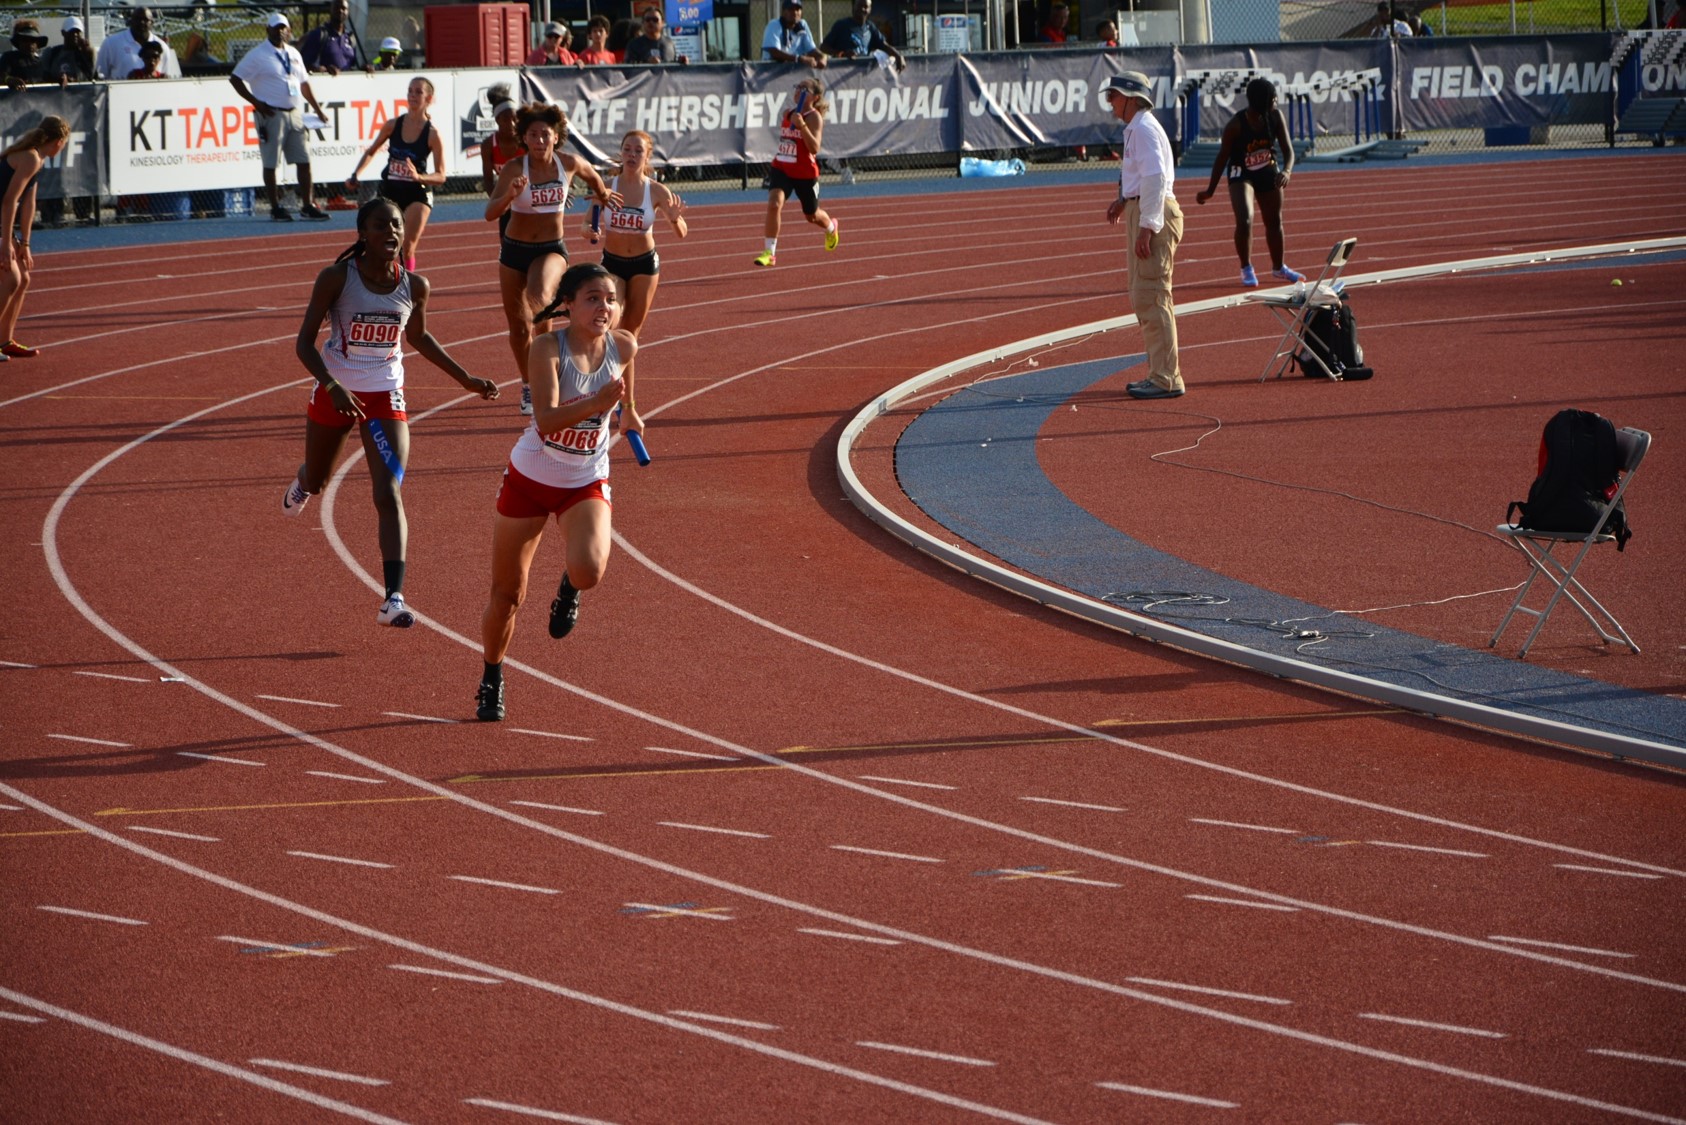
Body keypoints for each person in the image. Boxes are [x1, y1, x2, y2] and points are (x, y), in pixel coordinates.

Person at [284, 197, 499, 627]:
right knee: (320, 477)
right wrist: (331, 384)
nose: (392, 233)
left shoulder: (414, 286)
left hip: (385, 396)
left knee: (389, 492)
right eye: (382, 226)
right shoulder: (336, 279)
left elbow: (418, 336)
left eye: (397, 226)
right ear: (363, 233)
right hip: (335, 390)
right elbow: (304, 342)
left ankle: (393, 598)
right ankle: (304, 482)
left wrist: (466, 380)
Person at [476, 262, 638, 722]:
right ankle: (492, 675)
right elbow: (546, 421)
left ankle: (569, 587)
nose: (603, 307)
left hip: (584, 479)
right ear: (567, 305)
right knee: (508, 595)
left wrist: (630, 412)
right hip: (530, 478)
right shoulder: (548, 346)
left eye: (609, 299)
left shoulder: (623, 344)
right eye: (592, 298)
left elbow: (625, 384)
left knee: (588, 571)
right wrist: (600, 404)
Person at [485, 102, 618, 417]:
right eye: (533, 135)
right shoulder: (515, 169)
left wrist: (601, 200)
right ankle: (531, 384)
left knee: (541, 295)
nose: (540, 140)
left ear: (556, 137)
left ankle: (556, 359)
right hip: (513, 251)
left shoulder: (569, 164)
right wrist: (510, 194)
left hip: (551, 249)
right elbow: (490, 213)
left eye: (545, 134)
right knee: (519, 329)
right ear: (525, 138)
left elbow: (597, 182)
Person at [1102, 72, 1185, 400]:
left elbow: (1155, 178)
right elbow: (1143, 175)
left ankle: (1167, 378)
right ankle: (1159, 373)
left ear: (1130, 97)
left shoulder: (1145, 129)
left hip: (1154, 213)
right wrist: (1124, 201)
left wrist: (1148, 227)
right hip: (1144, 210)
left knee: (1152, 295)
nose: (1110, 103)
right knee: (1143, 295)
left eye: (1113, 96)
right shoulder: (1137, 129)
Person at [1195, 77, 1305, 289]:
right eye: (1273, 98)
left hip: (1267, 168)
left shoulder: (1275, 116)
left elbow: (1288, 150)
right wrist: (1210, 190)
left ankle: (1279, 267)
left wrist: (1287, 171)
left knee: (1274, 220)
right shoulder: (1236, 125)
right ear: (1263, 102)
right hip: (1241, 172)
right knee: (1245, 220)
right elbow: (1222, 158)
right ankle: (1246, 267)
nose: (1276, 101)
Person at [585, 130, 687, 339]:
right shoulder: (605, 187)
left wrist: (675, 219)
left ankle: (623, 374)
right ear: (621, 154)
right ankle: (609, 371)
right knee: (608, 324)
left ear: (647, 156)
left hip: (644, 265)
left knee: (630, 333)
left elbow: (682, 233)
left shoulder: (657, 191)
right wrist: (589, 230)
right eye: (627, 150)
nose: (632, 155)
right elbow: (587, 223)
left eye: (638, 151)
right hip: (613, 262)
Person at [231, 13, 332, 222]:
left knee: (303, 160)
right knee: (271, 162)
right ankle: (275, 207)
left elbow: (303, 83)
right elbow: (235, 78)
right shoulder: (258, 54)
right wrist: (256, 103)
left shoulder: (294, 53)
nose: (280, 31)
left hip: (294, 113)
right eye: (275, 28)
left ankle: (307, 205)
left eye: (283, 28)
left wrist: (317, 109)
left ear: (289, 30)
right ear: (267, 30)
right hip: (271, 114)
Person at [345, 76, 445, 271]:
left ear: (429, 98)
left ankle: (407, 286)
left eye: (418, 92)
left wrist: (419, 177)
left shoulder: (432, 134)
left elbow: (441, 176)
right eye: (410, 91)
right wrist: (356, 174)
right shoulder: (393, 125)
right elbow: (371, 151)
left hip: (417, 193)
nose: (412, 95)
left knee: (406, 246)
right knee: (378, 242)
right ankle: (379, 282)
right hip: (391, 191)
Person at [0, 115, 68, 361]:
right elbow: (9, 202)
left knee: (24, 277)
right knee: (11, 278)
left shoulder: (37, 159)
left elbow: (29, 203)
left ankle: (5, 340)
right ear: (59, 142)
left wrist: (25, 244)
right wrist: (7, 244)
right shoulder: (30, 157)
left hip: (2, 222)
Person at [754, 78, 840, 267]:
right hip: (782, 167)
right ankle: (770, 252)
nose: (798, 90)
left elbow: (814, 148)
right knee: (774, 204)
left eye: (804, 89)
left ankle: (831, 227)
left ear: (815, 97)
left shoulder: (813, 117)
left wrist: (802, 126)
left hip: (805, 173)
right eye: (797, 87)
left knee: (812, 215)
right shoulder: (787, 113)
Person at [95, 7, 180, 79]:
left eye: (145, 20)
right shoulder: (111, 43)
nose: (141, 22)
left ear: (152, 23)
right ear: (131, 21)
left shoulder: (162, 47)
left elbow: (168, 80)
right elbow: (100, 76)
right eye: (137, 19)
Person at [822, 0, 904, 70]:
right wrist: (841, 54)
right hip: (841, 72)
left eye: (865, 6)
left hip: (862, 75)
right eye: (859, 6)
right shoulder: (841, 25)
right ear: (854, 7)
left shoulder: (871, 27)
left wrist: (898, 56)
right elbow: (823, 47)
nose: (862, 9)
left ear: (870, 9)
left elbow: (884, 45)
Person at [300, 0, 359, 74]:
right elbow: (303, 64)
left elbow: (352, 66)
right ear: (330, 10)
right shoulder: (319, 34)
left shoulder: (350, 37)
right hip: (325, 83)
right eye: (336, 7)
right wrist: (323, 70)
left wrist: (363, 69)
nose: (340, 11)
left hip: (346, 84)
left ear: (348, 12)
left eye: (343, 8)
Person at [479, 92, 521, 197]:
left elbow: (542, 169)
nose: (512, 124)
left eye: (514, 119)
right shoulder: (488, 145)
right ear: (497, 120)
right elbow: (488, 180)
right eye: (506, 119)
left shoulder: (526, 141)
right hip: (505, 195)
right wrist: (496, 202)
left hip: (529, 194)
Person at [763, 0, 826, 67]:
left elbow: (811, 50)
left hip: (793, 71)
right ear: (783, 12)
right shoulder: (774, 25)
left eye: (798, 9)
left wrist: (822, 56)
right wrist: (798, 58)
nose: (795, 12)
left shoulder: (802, 25)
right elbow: (774, 53)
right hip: (771, 70)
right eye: (790, 9)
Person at [1, 19, 52, 90]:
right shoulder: (9, 58)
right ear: (18, 41)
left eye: (33, 40)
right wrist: (9, 80)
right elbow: (1, 76)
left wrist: (61, 79)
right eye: (25, 39)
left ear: (37, 43)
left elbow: (50, 80)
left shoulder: (41, 62)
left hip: (40, 100)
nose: (29, 44)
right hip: (13, 99)